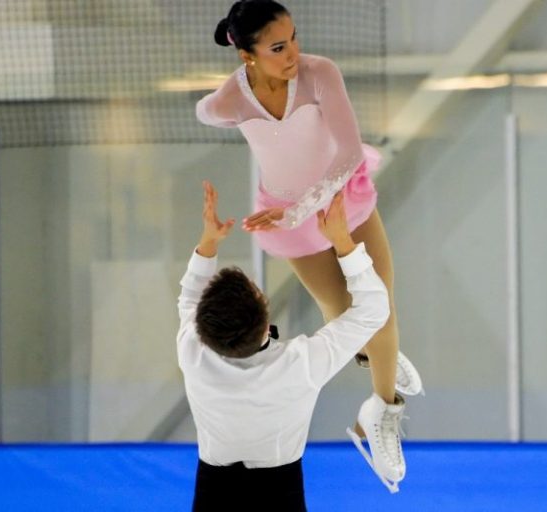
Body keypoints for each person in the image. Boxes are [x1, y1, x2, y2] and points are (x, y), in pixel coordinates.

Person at [195, 0, 422, 490]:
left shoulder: (320, 74)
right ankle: (376, 353)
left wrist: (300, 209)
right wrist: (232, 110)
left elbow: (344, 152)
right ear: (247, 55)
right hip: (287, 222)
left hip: (345, 203)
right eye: (279, 47)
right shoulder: (233, 98)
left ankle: (379, 415)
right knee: (346, 318)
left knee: (378, 309)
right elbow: (205, 110)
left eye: (294, 37)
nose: (294, 51)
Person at [178, 181, 391, 510]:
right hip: (280, 492)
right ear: (265, 324)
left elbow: (190, 297)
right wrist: (342, 242)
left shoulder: (192, 350)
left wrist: (208, 243)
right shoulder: (301, 364)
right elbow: (374, 312)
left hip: (213, 491)